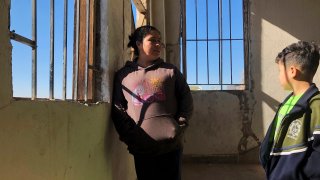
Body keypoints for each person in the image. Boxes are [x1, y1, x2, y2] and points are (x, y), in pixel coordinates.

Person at [111, 25, 193, 180]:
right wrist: (132, 137)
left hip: (171, 147)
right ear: (139, 43)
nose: (158, 45)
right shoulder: (124, 76)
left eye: (159, 41)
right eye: (152, 40)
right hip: (142, 149)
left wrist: (178, 127)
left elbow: (186, 99)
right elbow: (118, 109)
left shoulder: (170, 71)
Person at [259, 41, 320, 180]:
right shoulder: (288, 101)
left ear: (292, 71)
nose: (279, 76)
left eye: (280, 71)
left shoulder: (316, 106)